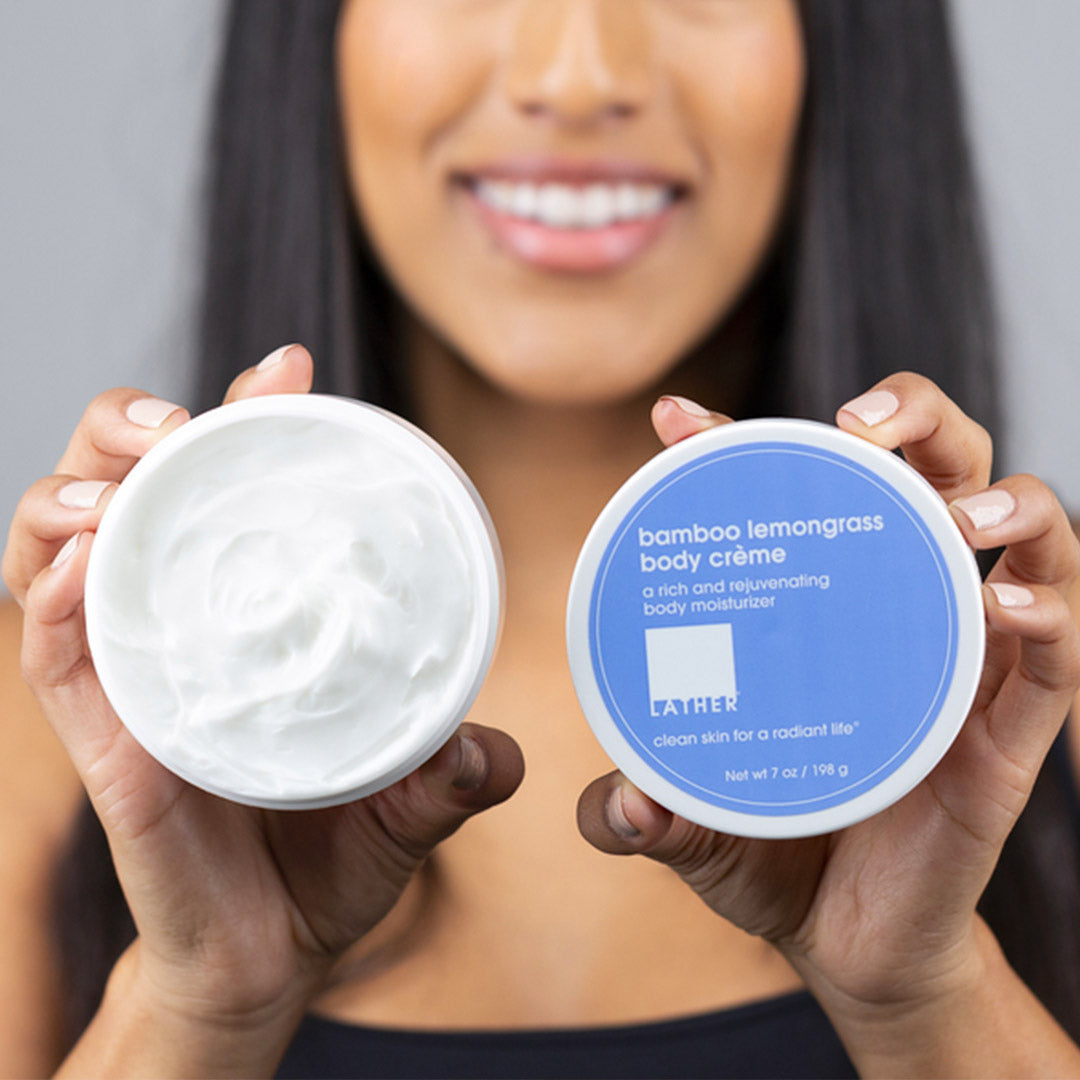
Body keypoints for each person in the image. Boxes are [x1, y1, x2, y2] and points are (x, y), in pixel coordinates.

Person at [3, 1, 1080, 1076]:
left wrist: (928, 995)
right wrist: (197, 1003)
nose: (576, 76)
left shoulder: (1025, 681)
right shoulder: (74, 719)